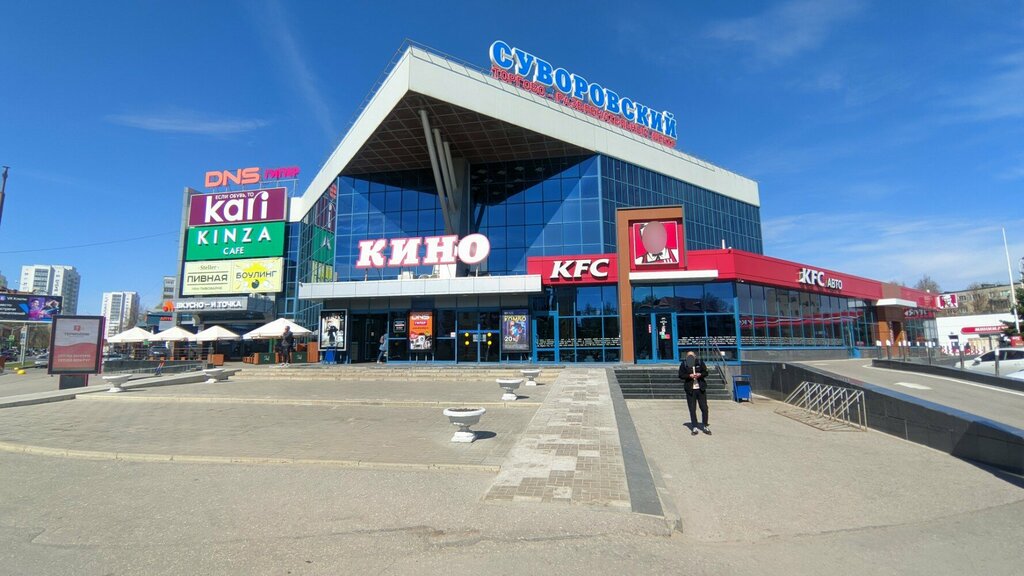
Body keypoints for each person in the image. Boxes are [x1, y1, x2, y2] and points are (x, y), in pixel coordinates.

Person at [679, 350, 711, 435]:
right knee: (692, 409)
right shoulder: (684, 364)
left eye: (692, 356)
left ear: (695, 357)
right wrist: (689, 376)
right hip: (690, 390)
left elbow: (706, 372)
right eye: (688, 356)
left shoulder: (700, 363)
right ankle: (694, 427)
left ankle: (705, 425)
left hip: (701, 389)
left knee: (704, 408)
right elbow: (681, 375)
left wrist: (700, 374)